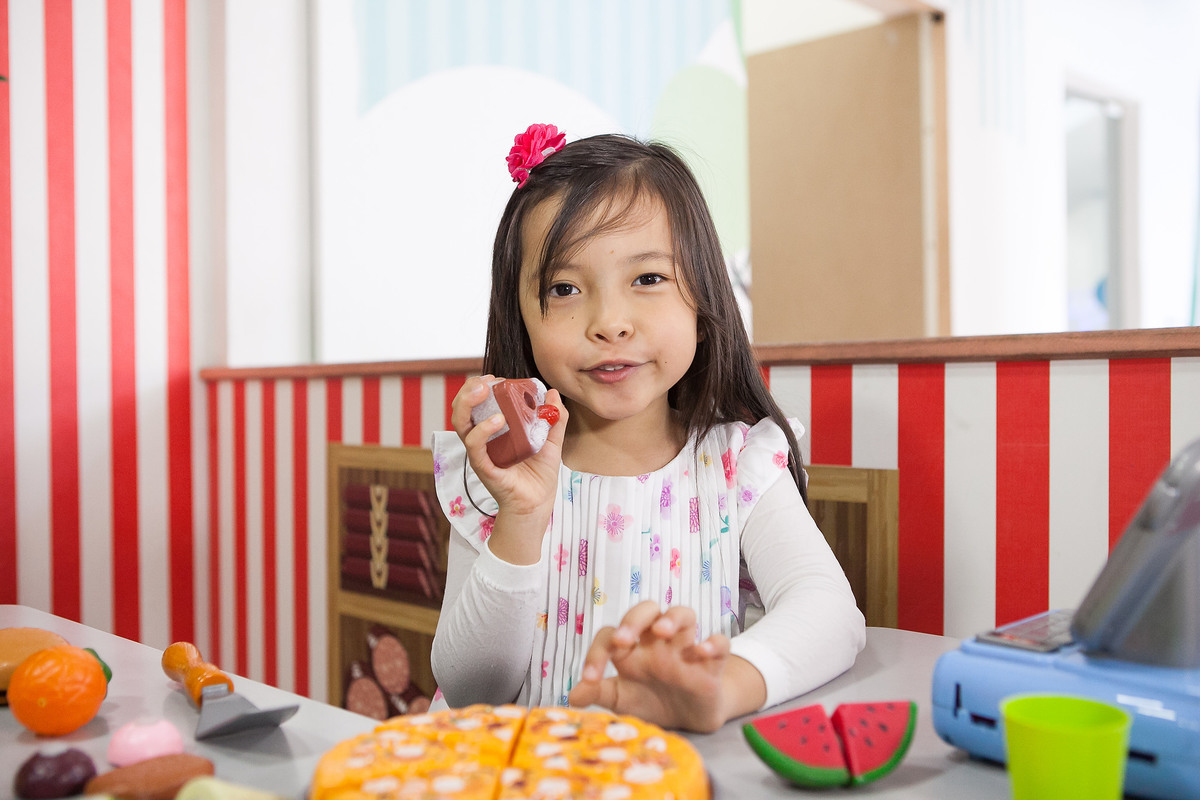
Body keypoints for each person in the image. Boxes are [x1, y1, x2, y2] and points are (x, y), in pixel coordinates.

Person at [429, 124, 865, 733]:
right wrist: (521, 518)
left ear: (704, 301)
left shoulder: (737, 461)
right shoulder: (494, 475)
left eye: (649, 278)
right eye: (563, 288)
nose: (609, 322)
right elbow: (471, 687)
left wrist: (716, 687)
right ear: (520, 317)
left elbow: (830, 613)